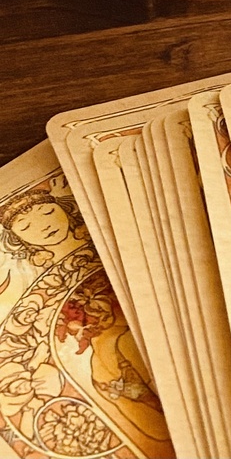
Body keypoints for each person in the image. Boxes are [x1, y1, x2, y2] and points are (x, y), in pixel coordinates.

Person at [0, 187, 170, 456]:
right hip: (107, 355)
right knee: (106, 371)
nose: (43, 225)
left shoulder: (114, 240)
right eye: (27, 226)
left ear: (65, 208)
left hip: (152, 322)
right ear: (20, 240)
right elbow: (39, 339)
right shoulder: (43, 292)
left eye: (47, 212)